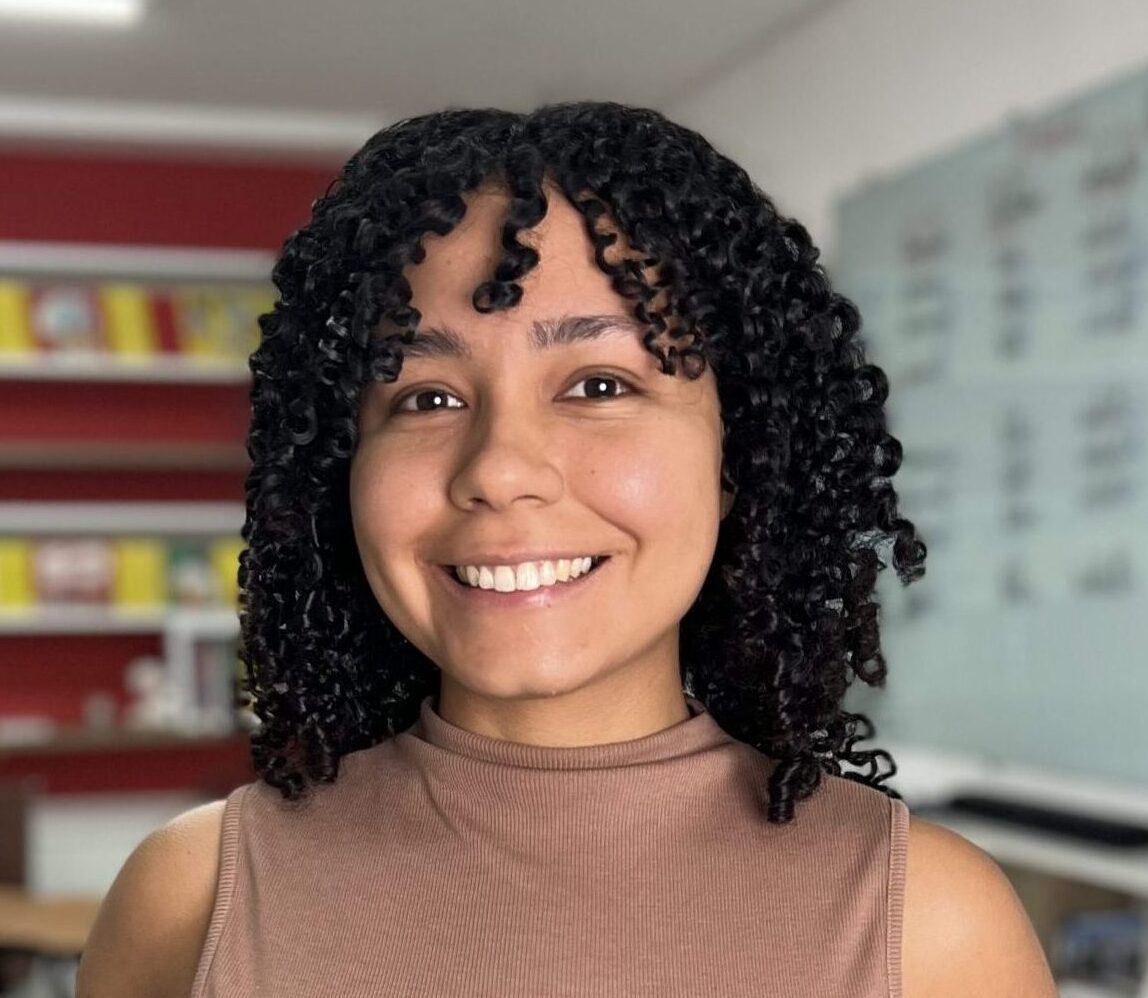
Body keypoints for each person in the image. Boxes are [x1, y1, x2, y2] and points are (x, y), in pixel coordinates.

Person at [76, 101, 1056, 997]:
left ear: (739, 455)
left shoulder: (929, 927)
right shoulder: (191, 897)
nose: (500, 469)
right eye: (426, 397)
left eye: (598, 385)